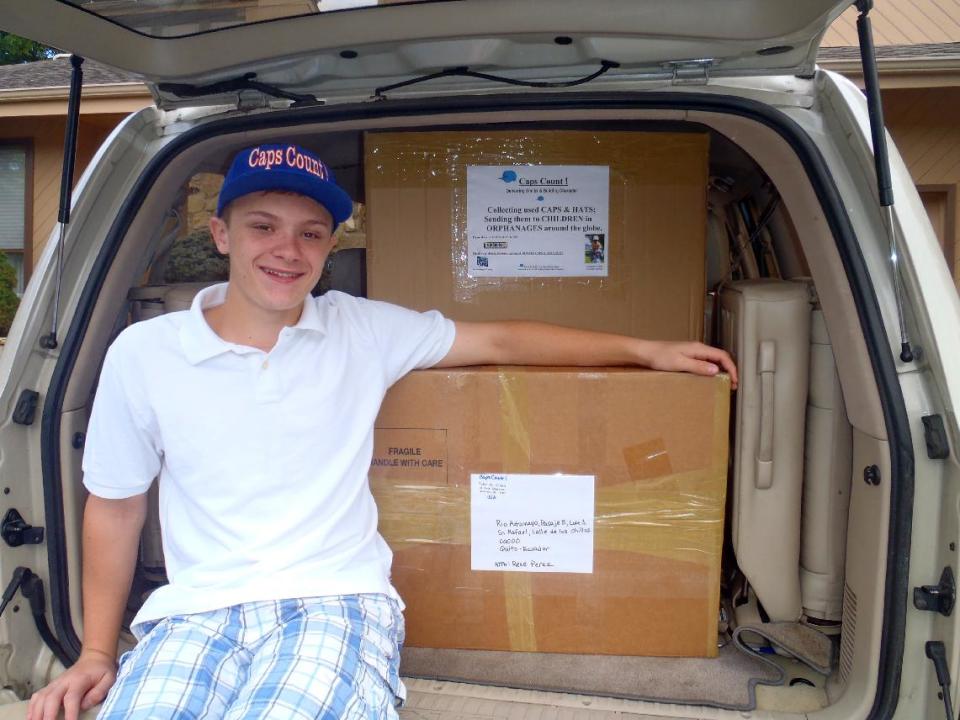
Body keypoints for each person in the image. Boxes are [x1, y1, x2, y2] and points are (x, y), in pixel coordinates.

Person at [27, 144, 737, 720]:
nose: (287, 250)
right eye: (262, 226)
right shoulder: (145, 354)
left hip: (335, 598)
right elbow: (116, 507)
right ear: (220, 235)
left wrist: (647, 351)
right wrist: (95, 653)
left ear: (331, 245)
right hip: (194, 612)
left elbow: (497, 339)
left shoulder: (360, 329)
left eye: (310, 233)